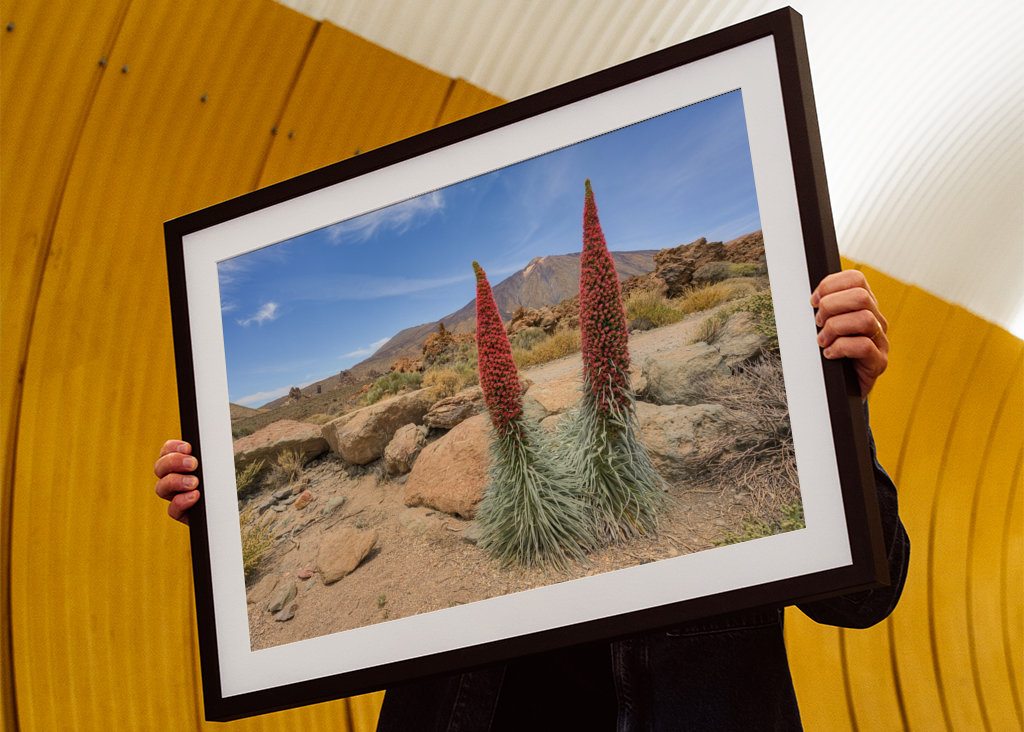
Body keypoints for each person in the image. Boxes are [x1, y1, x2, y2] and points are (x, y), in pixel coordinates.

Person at [155, 270, 908, 731]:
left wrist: (838, 407)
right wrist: (221, 515)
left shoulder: (723, 416)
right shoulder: (517, 474)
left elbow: (865, 598)